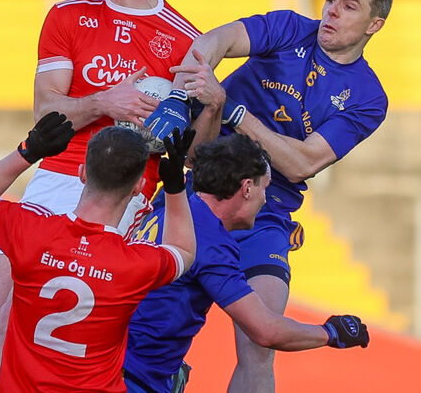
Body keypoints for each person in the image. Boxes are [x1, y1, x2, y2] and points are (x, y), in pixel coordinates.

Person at [0, 0, 200, 379]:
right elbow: (46, 111)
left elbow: (193, 146)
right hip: (54, 178)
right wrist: (102, 101)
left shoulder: (186, 41)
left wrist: (211, 107)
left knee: (68, 351)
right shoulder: (68, 16)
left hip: (122, 195)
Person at [144, 0, 392, 392]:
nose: (330, 12)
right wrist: (185, 94)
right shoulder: (290, 28)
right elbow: (217, 39)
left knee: (261, 340)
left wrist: (237, 112)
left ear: (375, 23)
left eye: (348, 6)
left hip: (265, 208)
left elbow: (302, 164)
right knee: (141, 309)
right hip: (201, 188)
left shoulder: (368, 97)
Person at [0, 113, 197, 392]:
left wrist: (28, 151)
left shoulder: (31, 231)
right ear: (137, 189)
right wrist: (174, 186)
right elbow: (183, 251)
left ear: (82, 173)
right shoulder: (135, 264)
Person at [123, 134, 370, 393]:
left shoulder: (174, 209)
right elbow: (265, 331)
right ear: (247, 188)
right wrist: (331, 332)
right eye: (265, 187)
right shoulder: (211, 241)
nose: (265, 200)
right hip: (135, 380)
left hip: (117, 365)